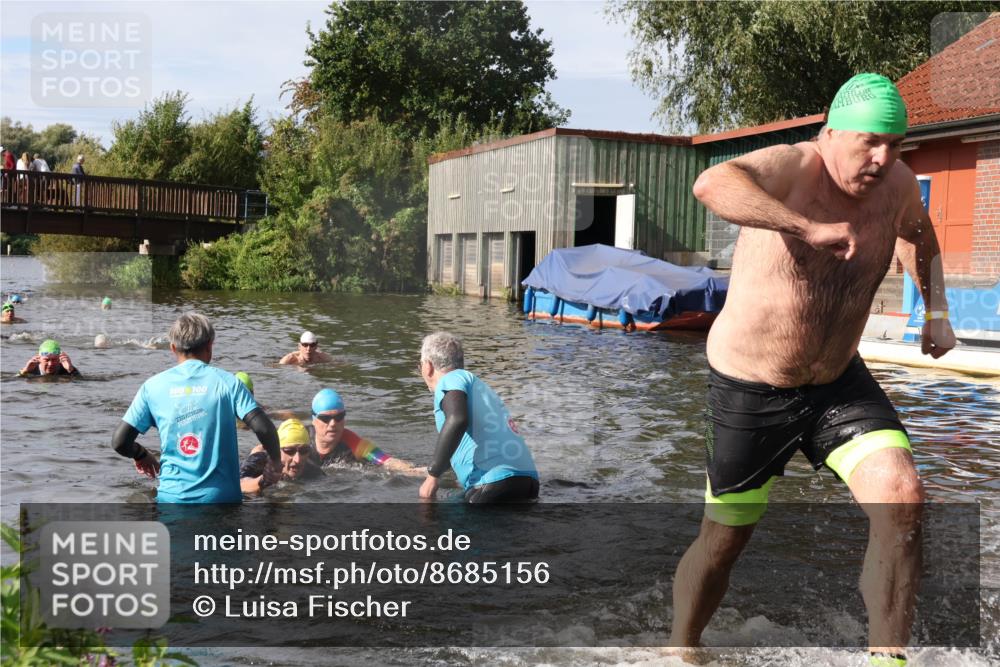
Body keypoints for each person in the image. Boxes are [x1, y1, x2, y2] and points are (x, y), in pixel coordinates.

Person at [667, 74, 955, 667]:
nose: (883, 158)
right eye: (870, 141)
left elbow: (920, 237)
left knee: (904, 497)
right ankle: (680, 649)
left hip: (837, 383)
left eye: (896, 145)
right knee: (723, 543)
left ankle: (887, 659)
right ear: (830, 133)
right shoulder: (793, 166)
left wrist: (938, 311)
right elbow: (712, 181)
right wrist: (804, 226)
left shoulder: (897, 184)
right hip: (751, 386)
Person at [111, 312, 281, 503]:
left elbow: (120, 442)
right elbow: (263, 428)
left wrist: (141, 454)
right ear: (210, 345)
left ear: (173, 348)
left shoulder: (152, 387)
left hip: (171, 501)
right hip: (221, 502)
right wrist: (275, 461)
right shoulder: (228, 383)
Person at [417, 332, 539, 503]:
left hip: (493, 483)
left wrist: (433, 476)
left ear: (428, 366)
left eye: (420, 365)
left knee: (429, 520)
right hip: (529, 482)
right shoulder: (480, 387)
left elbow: (457, 419)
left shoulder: (451, 379)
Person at [310, 388, 423, 474]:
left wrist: (426, 471)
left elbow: (386, 461)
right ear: (313, 420)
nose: (333, 423)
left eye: (339, 417)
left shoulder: (353, 443)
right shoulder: (301, 437)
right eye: (325, 418)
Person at [240, 418, 323, 493]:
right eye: (289, 451)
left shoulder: (313, 471)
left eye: (304, 451)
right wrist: (264, 480)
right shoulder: (259, 460)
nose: (297, 459)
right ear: (277, 450)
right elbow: (239, 484)